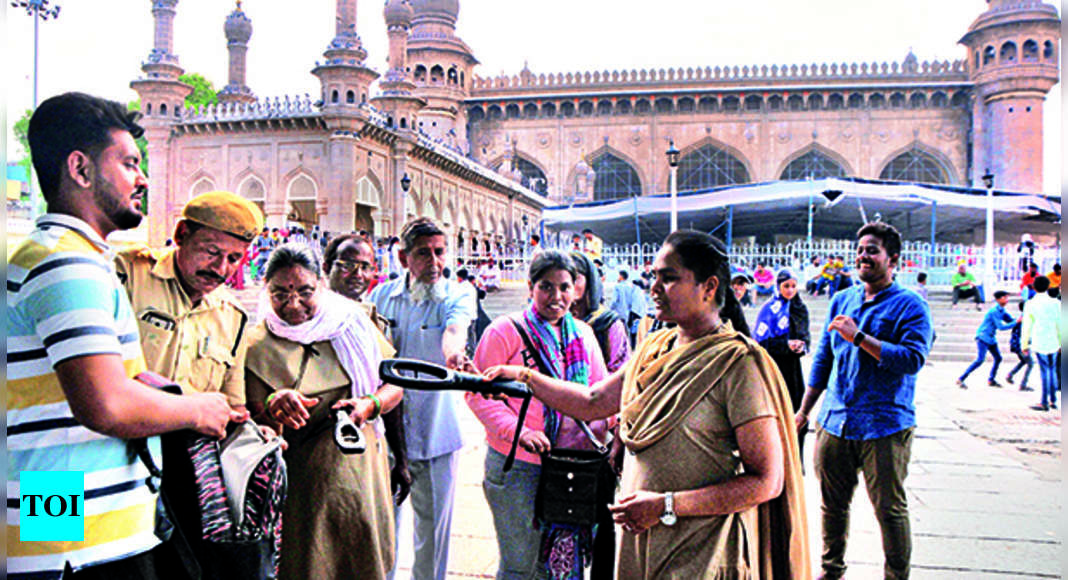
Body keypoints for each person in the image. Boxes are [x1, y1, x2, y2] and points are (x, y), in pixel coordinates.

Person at [483, 230, 809, 579]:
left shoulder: (739, 365)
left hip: (705, 547)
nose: (653, 288)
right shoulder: (656, 348)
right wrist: (524, 376)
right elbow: (592, 401)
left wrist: (667, 506)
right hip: (645, 541)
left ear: (709, 287)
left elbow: (766, 481)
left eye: (668, 279)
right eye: (654, 276)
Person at [8, 92, 240, 579]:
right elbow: (105, 405)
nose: (143, 178)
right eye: (130, 163)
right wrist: (199, 408)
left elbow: (57, 408)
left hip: (69, 516)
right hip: (85, 543)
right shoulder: (65, 264)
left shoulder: (49, 254)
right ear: (81, 168)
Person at [245, 244, 402, 578]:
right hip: (302, 484)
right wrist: (275, 405)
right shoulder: (255, 345)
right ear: (265, 290)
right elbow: (253, 416)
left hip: (363, 472)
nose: (293, 304)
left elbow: (394, 386)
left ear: (320, 283)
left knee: (364, 562)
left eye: (305, 291)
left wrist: (368, 405)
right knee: (309, 564)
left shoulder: (352, 323)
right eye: (280, 294)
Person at [795, 222, 932, 580]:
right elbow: (824, 359)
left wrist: (859, 338)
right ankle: (831, 570)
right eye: (860, 250)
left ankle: (896, 576)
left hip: (885, 425)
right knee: (832, 507)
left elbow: (912, 360)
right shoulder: (842, 299)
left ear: (893, 260)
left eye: (872, 250)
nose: (863, 256)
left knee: (890, 510)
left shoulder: (911, 306)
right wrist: (805, 411)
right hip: (836, 422)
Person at [467, 250, 613, 580]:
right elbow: (478, 393)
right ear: (530, 287)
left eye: (564, 287)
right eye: (546, 287)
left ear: (576, 289)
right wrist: (519, 433)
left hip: (571, 466)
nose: (556, 297)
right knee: (521, 563)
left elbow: (600, 394)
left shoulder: (584, 335)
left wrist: (611, 436)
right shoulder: (505, 331)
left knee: (560, 562)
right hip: (519, 466)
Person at [369, 217, 475, 580]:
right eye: (423, 253)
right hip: (387, 434)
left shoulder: (458, 294)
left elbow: (454, 329)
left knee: (432, 537)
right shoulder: (381, 296)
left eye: (440, 252)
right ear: (403, 258)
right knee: (384, 530)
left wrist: (454, 356)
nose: (435, 262)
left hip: (436, 434)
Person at [116, 190, 263, 412]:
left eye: (234, 259)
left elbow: (234, 405)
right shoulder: (127, 276)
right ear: (181, 234)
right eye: (211, 251)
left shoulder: (233, 316)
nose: (220, 269)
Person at [323, 233, 413, 506]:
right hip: (322, 450)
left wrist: (401, 459)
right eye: (347, 264)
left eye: (366, 267)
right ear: (327, 267)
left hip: (368, 445)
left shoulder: (372, 322)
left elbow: (390, 387)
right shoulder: (309, 321)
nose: (358, 274)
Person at [752, 269, 811, 465]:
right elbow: (761, 342)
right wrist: (785, 346)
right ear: (778, 287)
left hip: (793, 370)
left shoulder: (799, 309)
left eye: (793, 286)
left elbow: (805, 337)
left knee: (798, 414)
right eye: (786, 286)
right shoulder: (770, 309)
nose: (790, 290)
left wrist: (800, 345)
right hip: (775, 368)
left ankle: (797, 460)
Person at [571, 252, 631, 373]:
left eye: (575, 278)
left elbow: (621, 372)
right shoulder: (554, 322)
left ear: (589, 282)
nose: (568, 285)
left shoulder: (608, 323)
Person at [956, 290, 1015, 389]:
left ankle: (991, 379)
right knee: (980, 359)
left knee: (998, 358)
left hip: (991, 338)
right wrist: (1016, 322)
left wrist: (1019, 320)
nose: (1006, 300)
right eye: (1004, 297)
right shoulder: (994, 312)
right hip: (983, 337)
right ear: (998, 299)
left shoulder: (1002, 310)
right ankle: (961, 378)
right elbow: (1001, 327)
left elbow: (1010, 320)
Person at [1021, 276, 1062, 411]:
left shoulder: (1030, 304)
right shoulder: (1056, 303)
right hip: (1054, 339)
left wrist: (1024, 344)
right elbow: (1061, 323)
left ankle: (1044, 401)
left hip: (1039, 339)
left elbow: (1026, 326)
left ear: (1034, 287)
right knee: (1052, 369)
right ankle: (1053, 400)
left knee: (1044, 370)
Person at [1005, 300, 1034, 392]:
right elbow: (1024, 334)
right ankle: (1023, 384)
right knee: (1030, 363)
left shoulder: (1021, 317)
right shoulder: (1025, 319)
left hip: (1016, 344)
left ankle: (1010, 374)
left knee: (1024, 361)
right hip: (1021, 345)